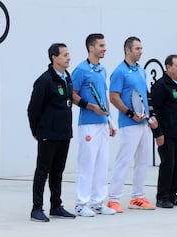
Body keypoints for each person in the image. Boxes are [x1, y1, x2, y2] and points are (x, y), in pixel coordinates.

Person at [107, 36, 158, 213]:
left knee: (143, 161)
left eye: (141, 48)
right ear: (127, 50)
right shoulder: (119, 72)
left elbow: (143, 96)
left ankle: (137, 197)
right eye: (137, 48)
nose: (140, 51)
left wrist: (150, 117)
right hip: (128, 124)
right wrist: (130, 113)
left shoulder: (141, 71)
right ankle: (113, 199)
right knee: (124, 160)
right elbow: (113, 97)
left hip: (144, 123)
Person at [28, 43, 76, 222]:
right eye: (64, 55)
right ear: (54, 58)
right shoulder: (45, 81)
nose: (68, 57)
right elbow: (33, 108)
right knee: (43, 170)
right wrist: (36, 130)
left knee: (58, 171)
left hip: (64, 133)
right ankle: (37, 208)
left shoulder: (67, 78)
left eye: (68, 54)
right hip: (48, 133)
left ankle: (56, 206)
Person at [71, 34, 116, 216]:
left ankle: (97, 202)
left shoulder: (102, 70)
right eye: (101, 45)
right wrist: (91, 107)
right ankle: (81, 204)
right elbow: (71, 94)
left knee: (102, 164)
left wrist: (110, 120)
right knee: (87, 164)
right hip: (88, 125)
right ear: (91, 47)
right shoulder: (80, 70)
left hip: (103, 124)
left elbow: (104, 97)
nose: (105, 48)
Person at [151, 55, 177, 208]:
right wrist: (158, 133)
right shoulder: (161, 85)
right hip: (166, 134)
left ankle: (173, 194)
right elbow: (155, 111)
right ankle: (162, 197)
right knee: (168, 164)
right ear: (168, 67)